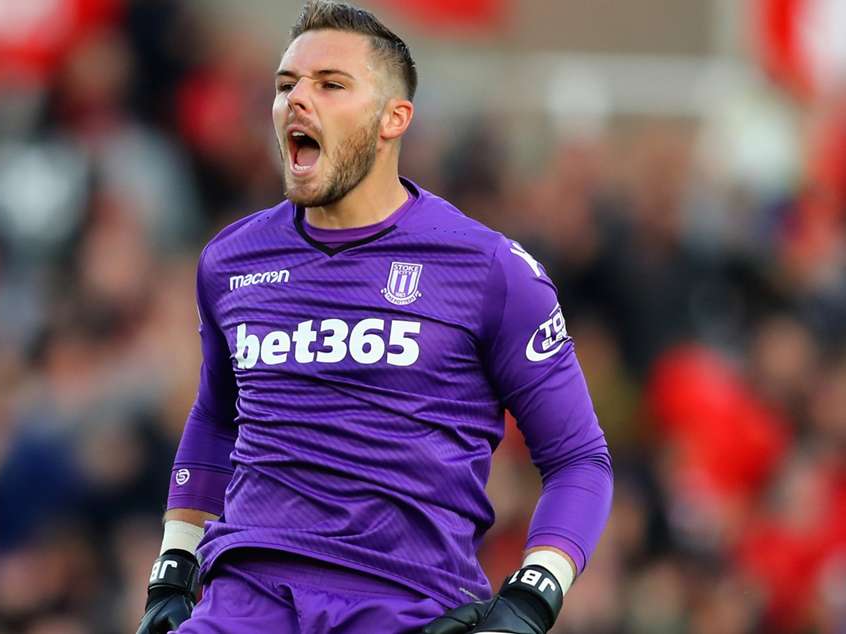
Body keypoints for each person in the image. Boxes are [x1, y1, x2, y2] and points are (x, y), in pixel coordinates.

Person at [136, 2, 613, 633]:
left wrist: (531, 600)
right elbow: (216, 418)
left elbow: (579, 457)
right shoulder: (231, 260)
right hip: (243, 604)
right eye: (286, 85)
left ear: (394, 118)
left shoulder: (490, 270)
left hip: (406, 607)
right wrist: (173, 567)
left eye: (330, 84)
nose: (296, 100)